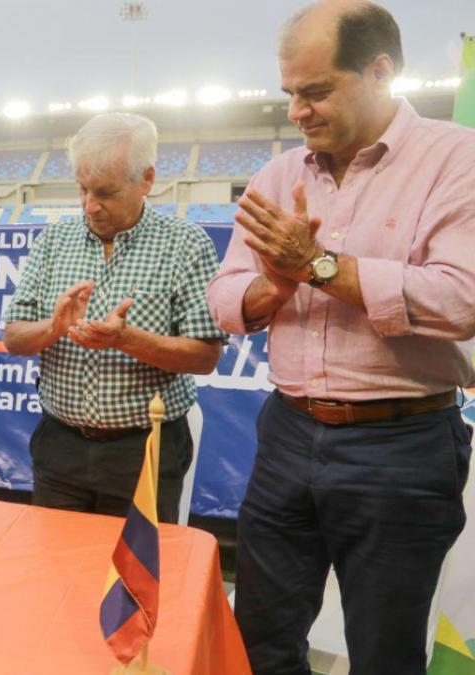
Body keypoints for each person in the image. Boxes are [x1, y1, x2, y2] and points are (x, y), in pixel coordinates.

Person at [205, 2, 475, 672]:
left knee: (385, 651)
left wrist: (320, 267)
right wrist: (275, 285)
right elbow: (226, 296)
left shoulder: (455, 160)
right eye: (290, 93)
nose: (298, 110)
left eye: (316, 90)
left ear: (380, 70)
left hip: (402, 443)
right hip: (288, 432)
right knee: (261, 639)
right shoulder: (278, 176)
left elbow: (462, 298)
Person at [4, 113, 225, 522]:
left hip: (146, 450)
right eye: (83, 188)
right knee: (56, 572)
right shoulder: (54, 241)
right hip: (60, 448)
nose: (91, 205)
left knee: (134, 579)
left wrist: (127, 339)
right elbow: (14, 337)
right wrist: (53, 329)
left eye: (105, 192)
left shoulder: (185, 244)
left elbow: (205, 356)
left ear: (147, 180)